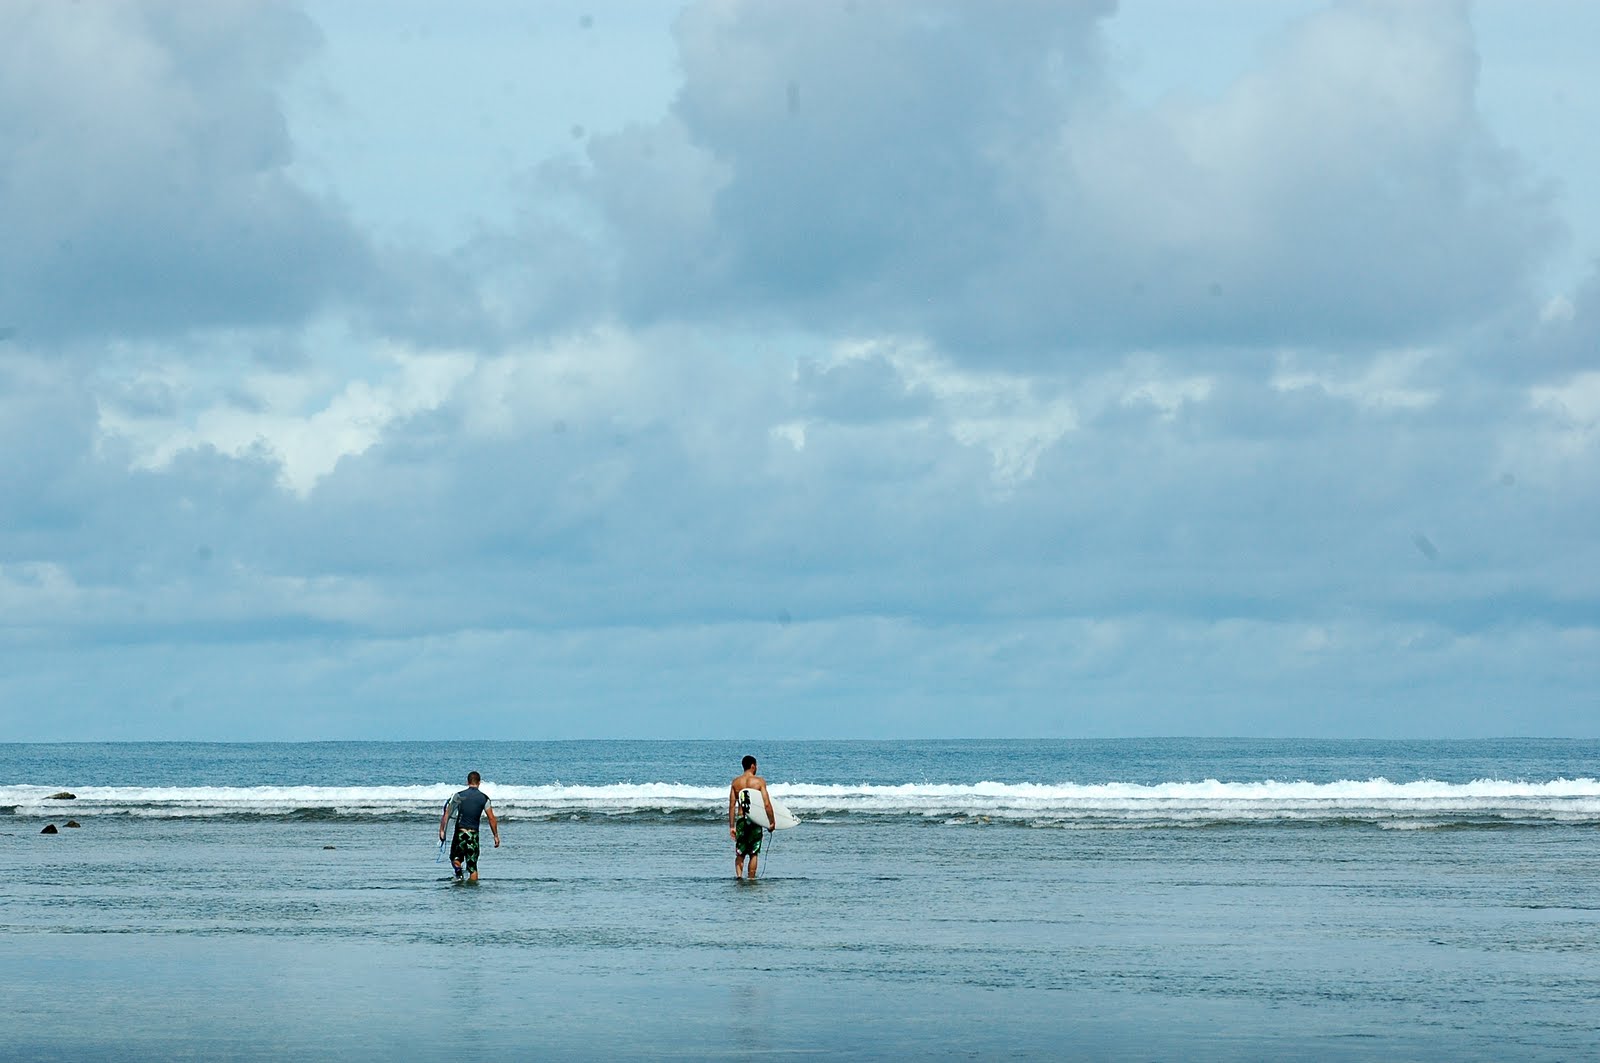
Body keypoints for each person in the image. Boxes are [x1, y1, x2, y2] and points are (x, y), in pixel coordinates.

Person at [439, 771, 500, 882]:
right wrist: (495, 836)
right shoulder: (484, 798)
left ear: (467, 782)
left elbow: (447, 814)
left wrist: (442, 831)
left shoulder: (459, 796)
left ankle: (458, 870)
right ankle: (472, 890)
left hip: (460, 833)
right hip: (473, 835)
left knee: (455, 859)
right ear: (479, 782)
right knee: (473, 867)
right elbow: (492, 818)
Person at [728, 755, 776, 880]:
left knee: (740, 852)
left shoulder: (736, 782)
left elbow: (732, 805)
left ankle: (739, 877)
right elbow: (766, 804)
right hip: (754, 819)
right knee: (753, 852)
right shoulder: (759, 782)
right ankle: (751, 879)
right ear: (753, 766)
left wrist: (732, 826)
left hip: (741, 819)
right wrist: (772, 822)